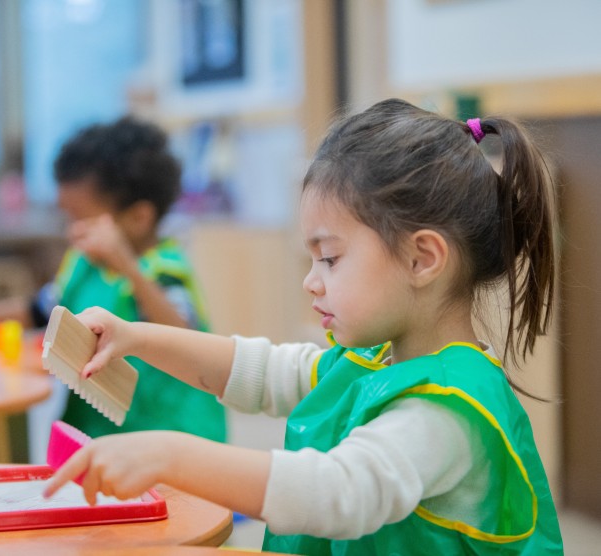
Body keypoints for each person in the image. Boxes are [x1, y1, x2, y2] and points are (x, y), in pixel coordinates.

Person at [44, 99, 563, 555]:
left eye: (331, 259)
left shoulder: (448, 412)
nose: (312, 283)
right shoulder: (374, 358)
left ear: (422, 259)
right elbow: (259, 370)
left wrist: (166, 454)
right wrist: (135, 337)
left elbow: (337, 492)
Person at [0, 117, 227, 442]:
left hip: (169, 437)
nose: (73, 231)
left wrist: (127, 266)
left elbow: (185, 338)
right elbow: (37, 310)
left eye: (82, 219)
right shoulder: (84, 263)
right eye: (67, 217)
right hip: (98, 432)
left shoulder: (164, 271)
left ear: (139, 217)